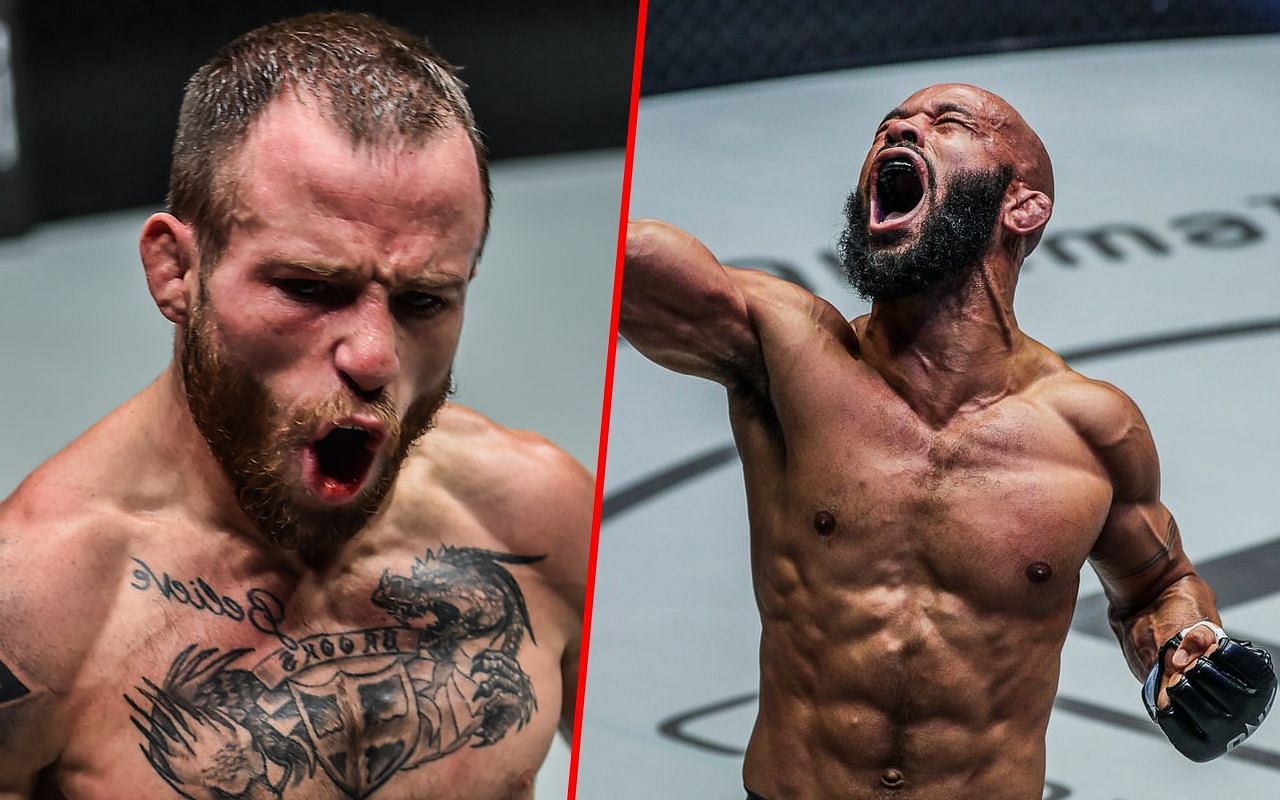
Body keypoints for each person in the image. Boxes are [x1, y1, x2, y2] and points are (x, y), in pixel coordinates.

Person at [621, 83, 1275, 799]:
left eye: (948, 123)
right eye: (890, 125)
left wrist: (1180, 650)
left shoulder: (1090, 431)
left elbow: (1158, 585)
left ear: (1021, 206)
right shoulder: (786, 352)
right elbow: (634, 264)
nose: (902, 131)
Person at [0, 13, 591, 800]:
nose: (374, 358)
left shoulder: (535, 517)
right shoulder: (34, 607)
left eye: (423, 301)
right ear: (176, 270)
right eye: (311, 289)